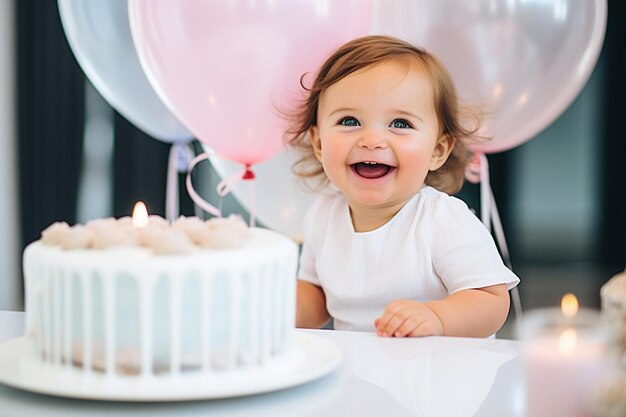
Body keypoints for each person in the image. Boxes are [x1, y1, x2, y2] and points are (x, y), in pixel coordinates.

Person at [285, 35, 519, 338]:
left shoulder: (442, 220)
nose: (371, 139)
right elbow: (318, 295)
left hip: (435, 377)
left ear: (437, 150)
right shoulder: (323, 214)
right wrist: (285, 308)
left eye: (400, 124)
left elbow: (492, 301)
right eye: (349, 120)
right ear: (318, 143)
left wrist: (437, 317)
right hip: (357, 375)